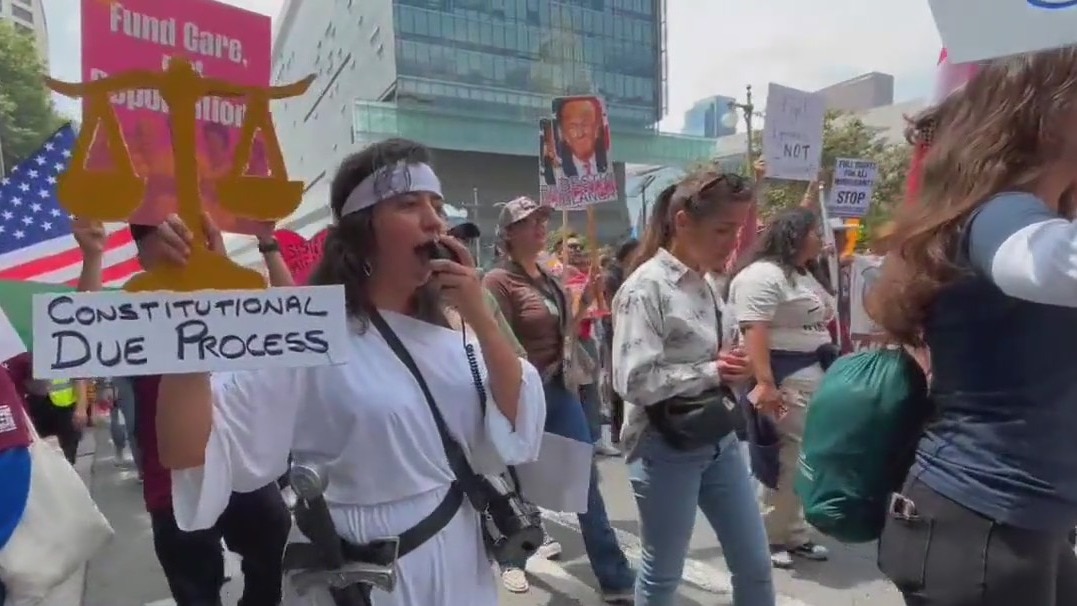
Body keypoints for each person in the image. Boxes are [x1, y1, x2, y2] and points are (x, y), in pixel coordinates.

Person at [154, 138, 547, 606]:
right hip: (357, 576)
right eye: (408, 204)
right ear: (362, 229)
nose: (434, 221)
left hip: (457, 562)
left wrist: (479, 313)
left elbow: (517, 423)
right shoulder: (311, 334)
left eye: (437, 206)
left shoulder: (457, 327)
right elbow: (191, 451)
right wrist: (186, 312)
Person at [867, 48, 1077, 605]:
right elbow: (1047, 264)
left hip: (1021, 523)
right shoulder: (999, 213)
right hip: (980, 523)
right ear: (1044, 114)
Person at [612, 172, 774, 606]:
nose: (732, 242)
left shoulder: (710, 282)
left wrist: (737, 366)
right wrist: (713, 370)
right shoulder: (645, 288)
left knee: (755, 565)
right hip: (663, 445)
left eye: (737, 230)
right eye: (723, 230)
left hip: (718, 436)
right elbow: (633, 380)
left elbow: (721, 355)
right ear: (683, 222)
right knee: (662, 575)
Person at [483, 197, 634, 601]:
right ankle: (512, 560)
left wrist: (584, 303)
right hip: (519, 394)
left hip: (560, 389)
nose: (540, 227)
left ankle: (614, 575)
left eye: (542, 220)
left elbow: (565, 329)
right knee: (516, 484)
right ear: (509, 233)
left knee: (583, 481)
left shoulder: (549, 275)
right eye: (529, 222)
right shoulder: (497, 281)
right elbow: (495, 343)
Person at [726, 207, 834, 569]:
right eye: (815, 231)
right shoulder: (762, 275)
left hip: (811, 376)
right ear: (795, 235)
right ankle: (768, 534)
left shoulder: (804, 274)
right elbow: (753, 328)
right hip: (782, 380)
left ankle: (793, 530)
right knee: (783, 455)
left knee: (803, 456)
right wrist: (765, 384)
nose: (821, 238)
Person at [602, 238, 639, 444]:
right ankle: (617, 429)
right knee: (619, 376)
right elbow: (612, 306)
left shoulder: (629, 272)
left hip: (627, 327)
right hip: (615, 329)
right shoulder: (612, 277)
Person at [554, 97, 607, 178]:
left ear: (597, 128)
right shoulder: (559, 171)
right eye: (572, 127)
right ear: (564, 134)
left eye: (585, 124)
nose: (580, 134)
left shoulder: (607, 160)